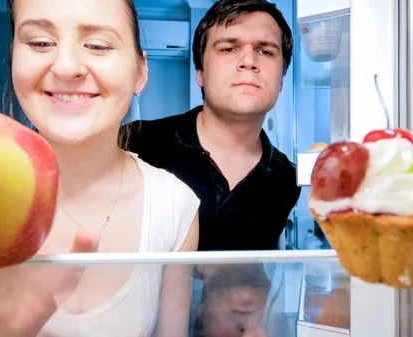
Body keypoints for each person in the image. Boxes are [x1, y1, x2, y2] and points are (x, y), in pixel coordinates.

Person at [0, 0, 200, 336]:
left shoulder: (173, 205)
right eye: (40, 43)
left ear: (140, 72)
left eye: (98, 45)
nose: (65, 66)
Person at [123, 0, 301, 252]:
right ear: (201, 72)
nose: (249, 61)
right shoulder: (137, 143)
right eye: (229, 49)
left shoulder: (286, 179)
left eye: (266, 51)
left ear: (282, 78)